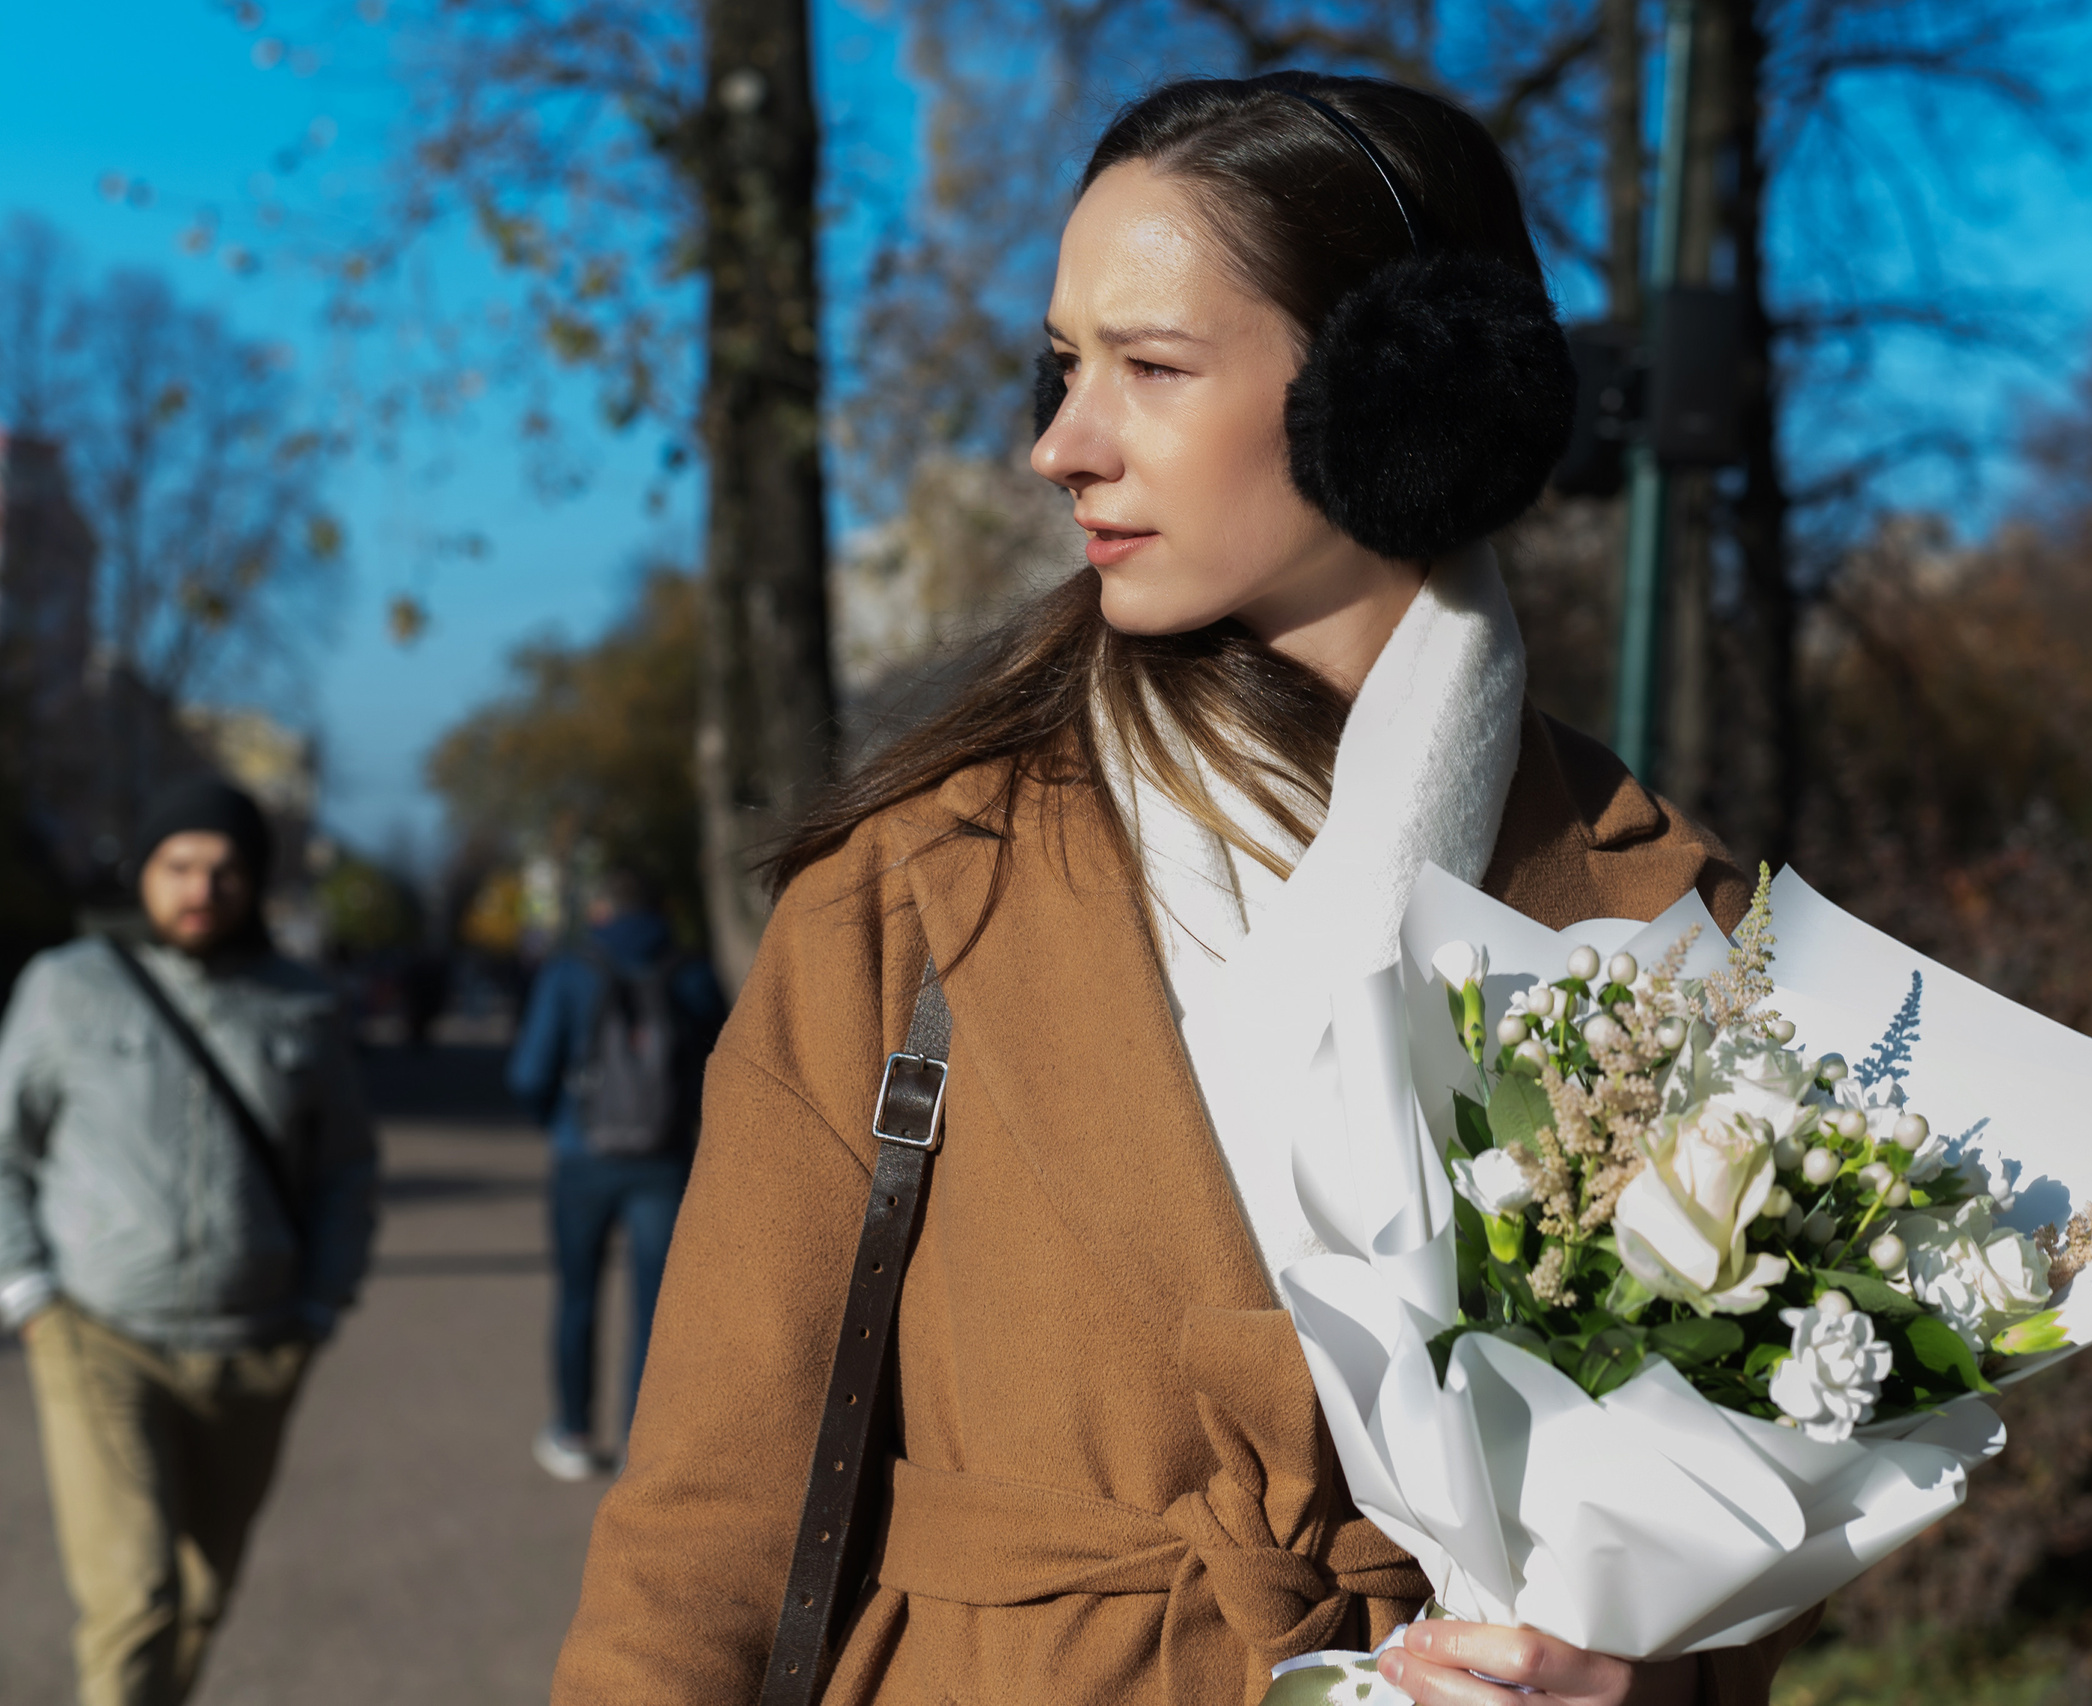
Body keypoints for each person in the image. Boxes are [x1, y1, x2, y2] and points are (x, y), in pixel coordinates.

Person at [556, 73, 1822, 1706]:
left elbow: (1744, 1533)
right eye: (1063, 365)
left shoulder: (1669, 923)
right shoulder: (914, 899)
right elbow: (696, 1552)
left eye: (1149, 369)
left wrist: (1637, 1680)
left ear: (1406, 390)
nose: (1058, 445)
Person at [0, 777, 378, 1706]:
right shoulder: (67, 987)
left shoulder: (301, 1003)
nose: (201, 888)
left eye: (225, 869)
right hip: (99, 1334)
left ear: (255, 881)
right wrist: (26, 1291)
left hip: (256, 1346)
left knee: (203, 1596)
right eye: (179, 865)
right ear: (145, 872)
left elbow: (345, 1166)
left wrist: (321, 1304)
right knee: (136, 1592)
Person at [507, 868, 725, 1482]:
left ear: (601, 909)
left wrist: (561, 1124)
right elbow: (722, 1066)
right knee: (657, 1308)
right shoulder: (690, 971)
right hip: (663, 1159)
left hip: (582, 1158)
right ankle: (641, 1444)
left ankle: (574, 1434)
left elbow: (528, 1073)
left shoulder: (570, 970)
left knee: (577, 1297)